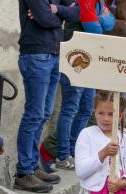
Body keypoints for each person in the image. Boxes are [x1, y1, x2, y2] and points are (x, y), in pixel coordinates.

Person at [15, 0, 80, 193]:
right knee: (34, 115)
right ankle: (24, 172)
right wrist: (60, 16)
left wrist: (57, 10)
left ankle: (33, 167)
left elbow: (76, 13)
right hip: (36, 55)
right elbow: (44, 19)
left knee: (44, 114)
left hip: (54, 55)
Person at [50, 0, 115, 170]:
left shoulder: (98, 1)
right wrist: (101, 19)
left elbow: (111, 23)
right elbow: (96, 29)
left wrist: (100, 19)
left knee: (86, 108)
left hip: (89, 60)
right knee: (70, 108)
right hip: (76, 58)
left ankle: (75, 150)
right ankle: (63, 156)